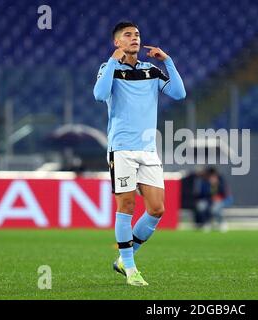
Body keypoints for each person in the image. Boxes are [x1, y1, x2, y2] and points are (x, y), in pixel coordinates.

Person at [93, 22, 186, 286]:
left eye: (136, 35)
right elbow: (99, 95)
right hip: (122, 148)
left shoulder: (152, 71)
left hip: (148, 150)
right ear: (117, 42)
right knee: (127, 205)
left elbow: (179, 93)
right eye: (127, 35)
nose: (134, 38)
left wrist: (167, 60)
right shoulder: (109, 69)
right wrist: (112, 61)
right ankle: (132, 271)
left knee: (157, 208)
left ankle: (125, 256)